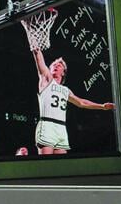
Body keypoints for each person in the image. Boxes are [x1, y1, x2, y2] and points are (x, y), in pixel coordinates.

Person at [22, 12, 114, 155]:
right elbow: (38, 56)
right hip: (46, 125)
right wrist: (30, 30)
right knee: (47, 167)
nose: (56, 66)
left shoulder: (65, 90)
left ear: (63, 72)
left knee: (61, 166)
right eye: (54, 64)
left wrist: (102, 106)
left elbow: (82, 103)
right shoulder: (46, 79)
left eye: (59, 65)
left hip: (61, 128)